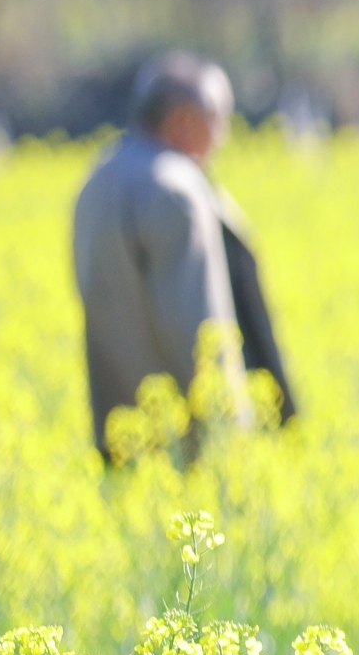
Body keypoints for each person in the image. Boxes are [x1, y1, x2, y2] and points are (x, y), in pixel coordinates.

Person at [70, 51, 298, 457]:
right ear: (184, 121)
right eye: (220, 120)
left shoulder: (97, 178)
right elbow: (199, 325)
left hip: (123, 432)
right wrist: (233, 429)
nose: (224, 135)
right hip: (183, 444)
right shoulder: (177, 190)